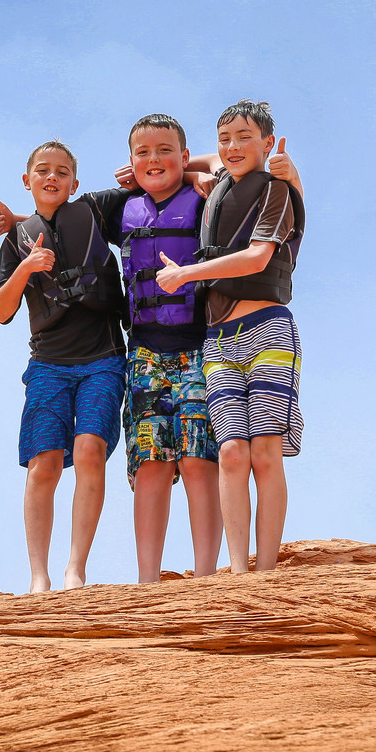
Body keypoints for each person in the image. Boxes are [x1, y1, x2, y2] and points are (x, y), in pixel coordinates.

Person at [0, 116, 303, 583]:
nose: (153, 160)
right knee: (151, 462)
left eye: (165, 150)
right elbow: (56, 214)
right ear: (130, 161)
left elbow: (234, 167)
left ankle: (205, 575)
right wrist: (10, 221)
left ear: (183, 153)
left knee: (198, 459)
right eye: (142, 153)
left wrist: (192, 171)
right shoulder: (120, 207)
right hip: (143, 353)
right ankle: (148, 581)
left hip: (201, 347)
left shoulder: (208, 197)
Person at [155, 100, 304, 574]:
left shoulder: (277, 190)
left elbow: (258, 257)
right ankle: (239, 572)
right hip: (219, 340)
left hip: (267, 330)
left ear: (267, 142)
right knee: (231, 451)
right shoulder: (221, 177)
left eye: (245, 137)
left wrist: (186, 274)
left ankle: (266, 572)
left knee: (265, 450)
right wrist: (185, 168)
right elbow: (200, 161)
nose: (233, 147)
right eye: (225, 139)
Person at [0, 141, 126, 593]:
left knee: (89, 450)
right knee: (43, 463)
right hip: (48, 363)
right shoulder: (16, 239)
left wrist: (199, 173)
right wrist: (26, 267)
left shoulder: (94, 210)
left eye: (62, 172)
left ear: (75, 182)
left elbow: (156, 182)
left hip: (103, 360)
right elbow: (1, 311)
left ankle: (75, 570)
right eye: (43, 170)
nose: (52, 177)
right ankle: (38, 577)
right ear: (27, 180)